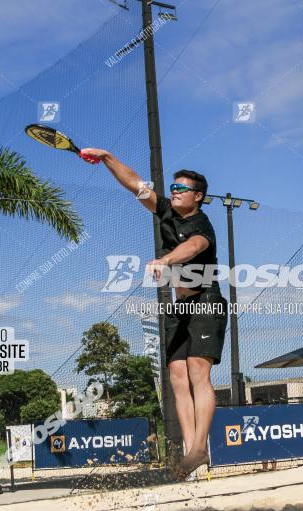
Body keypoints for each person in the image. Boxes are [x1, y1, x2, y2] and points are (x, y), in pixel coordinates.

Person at [79, 147, 228, 479]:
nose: (173, 192)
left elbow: (193, 248)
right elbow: (136, 184)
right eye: (172, 188)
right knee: (177, 375)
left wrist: (164, 261)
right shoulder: (166, 211)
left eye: (181, 189)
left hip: (206, 300)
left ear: (198, 196)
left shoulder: (201, 224)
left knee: (197, 373)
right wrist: (106, 158)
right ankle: (192, 456)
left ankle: (199, 446)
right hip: (180, 308)